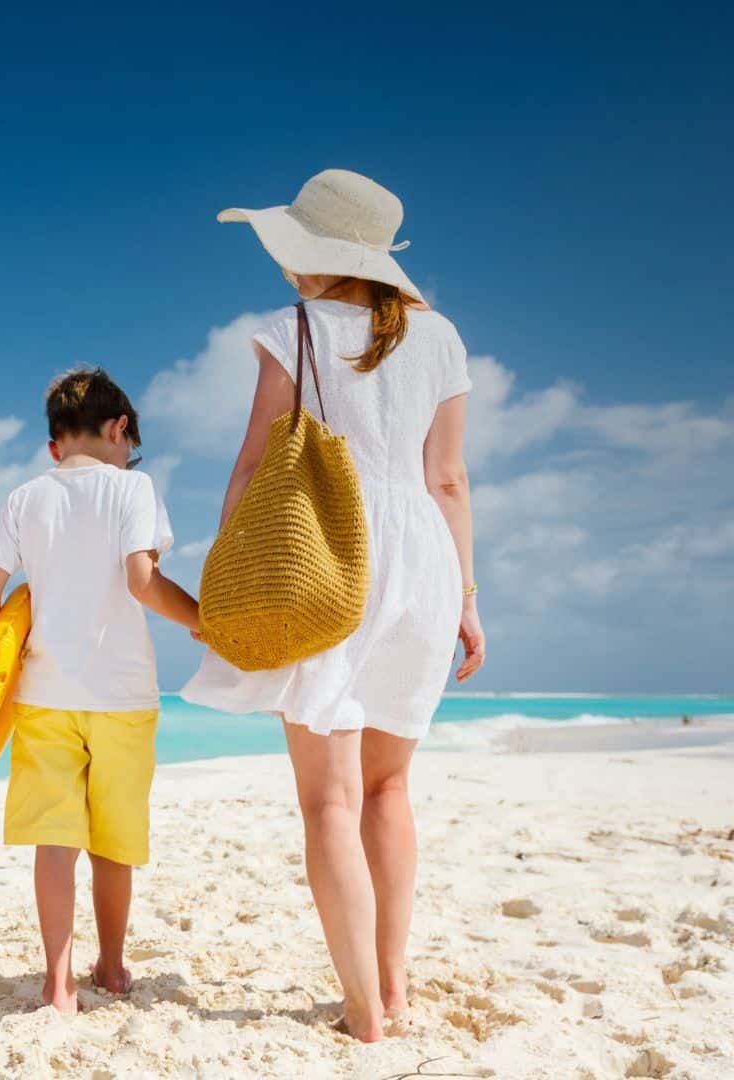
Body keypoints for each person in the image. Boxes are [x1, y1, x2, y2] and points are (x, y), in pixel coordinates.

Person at [181, 170, 485, 1041]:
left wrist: (226, 577)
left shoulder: (295, 330)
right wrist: (466, 597)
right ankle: (393, 985)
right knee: (390, 791)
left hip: (325, 552)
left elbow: (252, 463)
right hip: (423, 560)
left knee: (330, 803)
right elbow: (449, 479)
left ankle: (362, 1011)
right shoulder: (443, 340)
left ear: (317, 253)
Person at [0, 368, 199, 1014]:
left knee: (56, 841)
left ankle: (57, 981)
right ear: (120, 428)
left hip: (45, 693)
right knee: (113, 843)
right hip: (123, 696)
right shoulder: (134, 488)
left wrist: (19, 631)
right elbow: (142, 580)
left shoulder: (24, 497)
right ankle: (114, 967)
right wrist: (201, 618)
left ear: (54, 447)